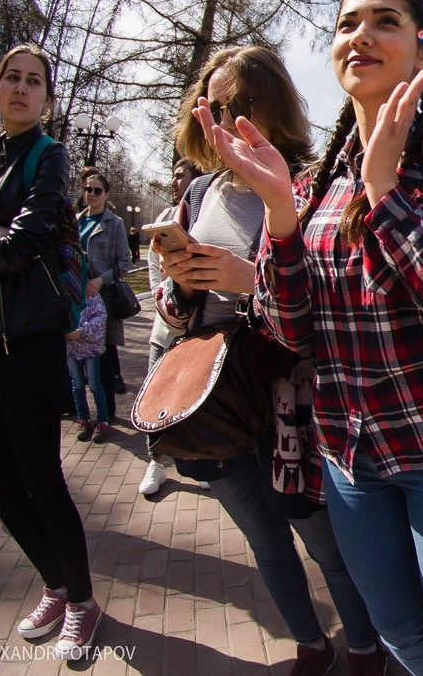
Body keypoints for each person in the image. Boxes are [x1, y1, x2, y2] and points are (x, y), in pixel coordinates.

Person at [205, 0, 423, 674]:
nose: (361, 35)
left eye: (386, 21)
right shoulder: (311, 182)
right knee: (397, 630)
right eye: (347, 24)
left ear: (422, 48)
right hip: (348, 455)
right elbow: (288, 331)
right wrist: (282, 217)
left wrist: (383, 192)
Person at [154, 45, 387, 675]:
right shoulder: (199, 191)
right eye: (215, 105)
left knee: (324, 543)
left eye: (242, 103)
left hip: (290, 402)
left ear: (273, 104)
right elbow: (171, 317)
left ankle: (365, 648)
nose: (227, 117)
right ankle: (311, 644)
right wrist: (182, 281)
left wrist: (247, 278)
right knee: (264, 540)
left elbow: (327, 311)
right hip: (213, 399)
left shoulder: (308, 182)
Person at [0, 44, 101, 659]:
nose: (20, 89)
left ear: (45, 96)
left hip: (29, 341)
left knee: (40, 479)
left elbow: (23, 245)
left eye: (33, 81)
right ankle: (56, 585)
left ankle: (83, 603)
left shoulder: (50, 156)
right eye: (10, 78)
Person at [137, 159, 204, 496]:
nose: (176, 181)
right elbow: (153, 270)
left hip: (196, 333)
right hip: (163, 330)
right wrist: (162, 298)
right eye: (174, 175)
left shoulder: (203, 213)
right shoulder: (164, 220)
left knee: (190, 402)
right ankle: (156, 462)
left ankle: (197, 460)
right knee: (154, 400)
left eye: (182, 176)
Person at [77, 169, 130, 412]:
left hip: (103, 299)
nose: (92, 194)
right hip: (77, 297)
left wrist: (101, 281)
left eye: (97, 190)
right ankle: (80, 411)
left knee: (104, 355)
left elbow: (124, 263)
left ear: (106, 195)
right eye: (88, 189)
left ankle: (107, 410)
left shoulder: (114, 223)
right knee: (75, 352)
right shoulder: (77, 221)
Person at [67, 290, 110, 443]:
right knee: (77, 384)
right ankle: (83, 419)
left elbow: (101, 316)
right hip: (71, 349)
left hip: (90, 348)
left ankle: (103, 421)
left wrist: (82, 331)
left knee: (94, 384)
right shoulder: (63, 291)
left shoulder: (91, 292)